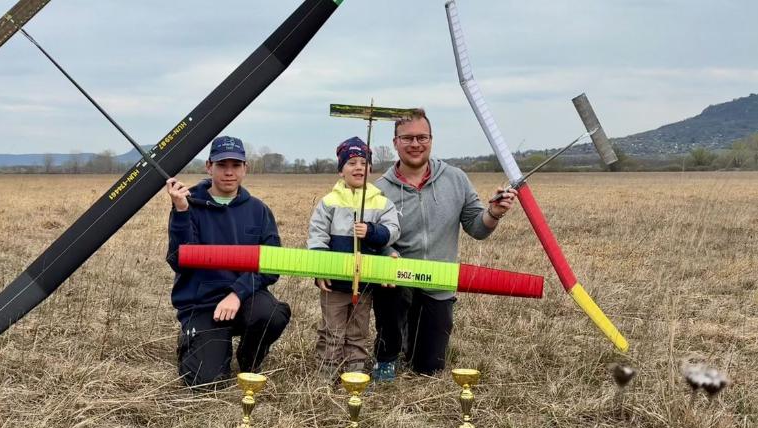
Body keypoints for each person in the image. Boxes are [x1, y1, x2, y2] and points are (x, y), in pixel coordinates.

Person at [371, 108, 517, 381]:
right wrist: (387, 252)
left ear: (431, 139)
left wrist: (494, 213)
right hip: (397, 283)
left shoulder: (456, 178)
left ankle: (413, 337)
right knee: (391, 293)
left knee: (428, 367)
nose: (416, 144)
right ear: (395, 143)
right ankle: (387, 352)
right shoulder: (380, 190)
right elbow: (375, 239)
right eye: (408, 138)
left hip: (438, 286)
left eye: (422, 137)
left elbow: (477, 227)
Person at [165, 136, 291, 386]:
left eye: (236, 165)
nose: (229, 172)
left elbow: (271, 263)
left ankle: (249, 357)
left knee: (272, 314)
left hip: (244, 297)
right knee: (205, 382)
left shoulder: (259, 210)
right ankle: (192, 341)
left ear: (245, 168)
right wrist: (180, 212)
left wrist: (237, 293)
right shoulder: (187, 206)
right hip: (203, 303)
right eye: (222, 165)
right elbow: (178, 260)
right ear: (209, 167)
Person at [307, 137, 400, 379]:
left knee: (358, 330)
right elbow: (317, 238)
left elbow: (392, 231)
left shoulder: (381, 202)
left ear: (370, 168)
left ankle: (354, 373)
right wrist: (320, 270)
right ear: (340, 170)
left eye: (363, 162)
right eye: (351, 163)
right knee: (332, 330)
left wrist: (371, 231)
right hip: (334, 286)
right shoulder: (329, 203)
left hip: (365, 283)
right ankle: (326, 374)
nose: (358, 167)